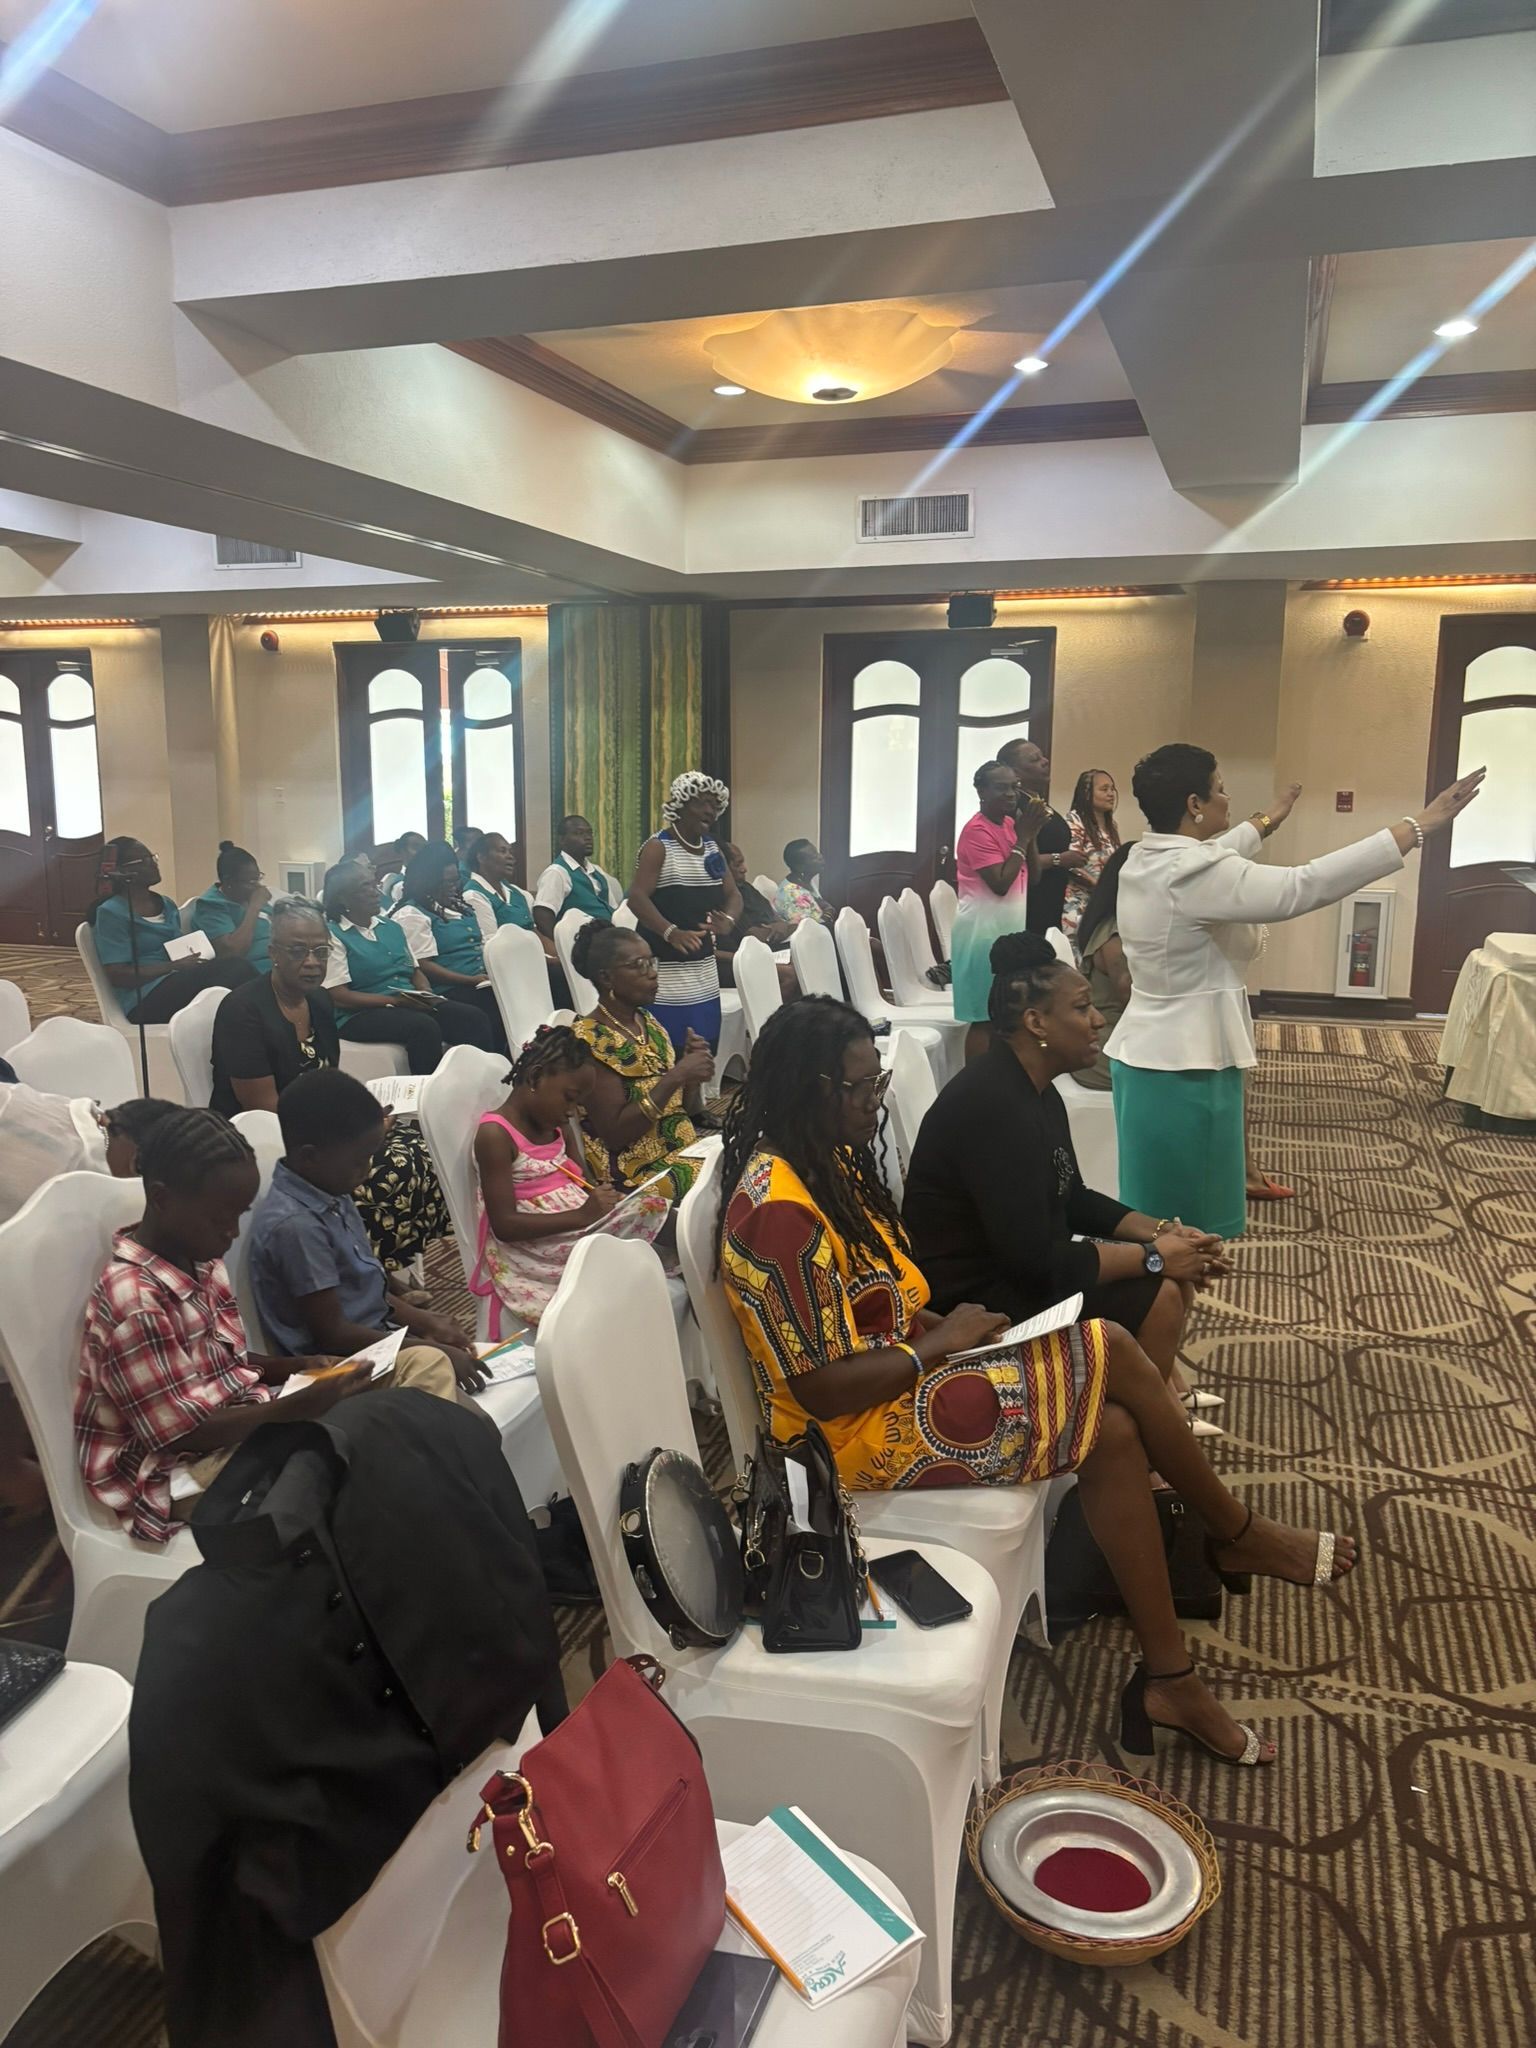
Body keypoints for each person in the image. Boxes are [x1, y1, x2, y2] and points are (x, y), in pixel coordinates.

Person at [718, 997, 1358, 1766]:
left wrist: (939, 1335)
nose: (874, 1101)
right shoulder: (777, 1211)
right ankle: (1237, 1532)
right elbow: (821, 1390)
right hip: (843, 1441)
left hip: (894, 1389)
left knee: (1115, 1433)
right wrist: (939, 1345)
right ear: (815, 1089)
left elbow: (873, 1306)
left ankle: (1170, 1679)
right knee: (1112, 1345)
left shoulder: (827, 1166)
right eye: (861, 1088)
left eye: (877, 1082)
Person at [1109, 744, 1485, 1237]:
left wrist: (1269, 820)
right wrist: (1419, 827)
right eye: (1220, 789)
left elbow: (1220, 852)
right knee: (1180, 1229)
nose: (1228, 798)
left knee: (1161, 1221)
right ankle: (1153, 1311)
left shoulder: (1147, 857)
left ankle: (1147, 1309)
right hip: (1184, 1068)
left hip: (1154, 1057)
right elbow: (1303, 885)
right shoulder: (1194, 874)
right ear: (1195, 804)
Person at [903, 931, 1229, 1414]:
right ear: (1036, 1021)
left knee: (1172, 1279)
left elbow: (1071, 1197)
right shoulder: (994, 1107)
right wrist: (1155, 1258)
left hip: (1014, 1268)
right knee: (1160, 1291)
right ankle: (1141, 1435)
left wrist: (1165, 1234)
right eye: (1082, 1008)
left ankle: (1153, 1409)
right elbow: (1034, 1259)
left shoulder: (1034, 1088)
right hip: (970, 1300)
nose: (1098, 1020)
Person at [74, 1108, 384, 1544]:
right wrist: (298, 1406)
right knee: (358, 1452)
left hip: (234, 1425)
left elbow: (224, 1362)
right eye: (221, 1219)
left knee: (397, 1392)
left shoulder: (198, 1256)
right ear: (162, 1199)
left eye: (239, 1214)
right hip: (175, 1474)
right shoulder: (135, 1303)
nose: (233, 1233)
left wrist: (300, 1365)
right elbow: (185, 1432)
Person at [212, 896, 449, 1274]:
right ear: (273, 952)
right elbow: (262, 1107)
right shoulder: (243, 1011)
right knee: (382, 1170)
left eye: (320, 951)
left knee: (418, 1147)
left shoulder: (320, 1001)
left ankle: (386, 1271)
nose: (311, 962)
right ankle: (355, 1277)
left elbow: (325, 1078)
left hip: (316, 1133)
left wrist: (363, 1122)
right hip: (262, 1137)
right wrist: (349, 1135)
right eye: (297, 951)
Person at [247, 1069, 487, 1392]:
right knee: (461, 1413)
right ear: (310, 1157)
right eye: (359, 1161)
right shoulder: (296, 1226)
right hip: (341, 1369)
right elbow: (334, 1334)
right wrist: (424, 1347)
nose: (367, 1171)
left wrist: (422, 1323)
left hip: (377, 1342)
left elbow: (362, 1287)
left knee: (471, 1385)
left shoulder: (329, 1188)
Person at [471, 1025, 669, 1333]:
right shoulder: (495, 1135)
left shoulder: (556, 1125)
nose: (574, 1111)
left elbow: (584, 1181)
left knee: (652, 1208)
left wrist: (605, 1199)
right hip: (538, 1249)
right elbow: (505, 1226)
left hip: (577, 1225)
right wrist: (582, 1215)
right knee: (654, 1211)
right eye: (570, 1098)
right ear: (536, 1078)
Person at [571, 921, 713, 1198]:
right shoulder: (589, 1039)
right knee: (730, 1182)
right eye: (639, 965)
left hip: (682, 1150)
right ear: (606, 977)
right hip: (634, 1175)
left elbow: (680, 1109)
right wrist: (677, 1076)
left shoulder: (647, 1022)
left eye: (652, 962)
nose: (653, 975)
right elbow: (615, 1134)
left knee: (748, 1160)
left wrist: (692, 1079)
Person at [323, 861, 493, 1067]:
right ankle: (428, 1092)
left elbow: (415, 971)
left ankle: (476, 1084)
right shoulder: (333, 935)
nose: (376, 892)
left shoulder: (390, 927)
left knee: (472, 1018)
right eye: (364, 887)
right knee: (423, 1028)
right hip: (359, 1014)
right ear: (342, 898)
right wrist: (395, 1002)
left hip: (405, 1002)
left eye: (374, 884)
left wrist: (425, 993)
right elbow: (339, 996)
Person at [628, 771, 741, 1054]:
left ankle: (696, 1097)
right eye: (702, 803)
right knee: (668, 1045)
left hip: (701, 962)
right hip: (663, 963)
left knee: (702, 1042)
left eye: (715, 806)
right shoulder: (659, 846)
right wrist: (671, 932)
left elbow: (733, 894)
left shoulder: (713, 847)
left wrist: (728, 920)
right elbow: (636, 899)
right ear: (680, 804)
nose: (709, 811)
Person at [88, 837, 257, 1023]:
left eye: (153, 858)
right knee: (236, 968)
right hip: (144, 999)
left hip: (176, 981)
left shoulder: (166, 904)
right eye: (145, 861)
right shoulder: (111, 913)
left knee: (236, 984)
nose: (154, 864)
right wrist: (173, 966)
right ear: (124, 871)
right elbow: (118, 974)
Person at [390, 839, 508, 1055]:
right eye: (447, 882)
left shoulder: (457, 906)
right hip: (446, 988)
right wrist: (471, 980)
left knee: (512, 996)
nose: (454, 887)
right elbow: (424, 965)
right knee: (487, 1010)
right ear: (429, 882)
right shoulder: (413, 914)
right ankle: (490, 1072)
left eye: (456, 880)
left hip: (477, 982)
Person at [951, 761, 1030, 1062]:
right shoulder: (976, 831)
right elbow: (999, 883)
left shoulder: (1009, 825)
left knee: (1003, 1015)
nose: (1011, 794)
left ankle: (998, 1080)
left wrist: (1029, 832)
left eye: (1015, 786)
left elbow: (1031, 875)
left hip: (1006, 932)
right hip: (980, 936)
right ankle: (976, 1087)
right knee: (984, 1018)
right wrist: (1024, 838)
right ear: (981, 791)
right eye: (1001, 787)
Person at [996, 738, 1086, 937]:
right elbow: (1014, 860)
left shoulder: (1035, 800)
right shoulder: (1017, 808)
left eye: (1042, 756)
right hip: (1031, 900)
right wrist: (1059, 859)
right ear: (1016, 772)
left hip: (1050, 896)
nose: (1045, 761)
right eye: (1035, 760)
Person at [1072, 842, 1132, 1093]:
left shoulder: (1114, 922)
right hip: (1107, 1048)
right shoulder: (1116, 937)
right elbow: (1133, 1001)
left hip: (1117, 1040)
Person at [717, 842, 798, 1001]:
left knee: (809, 955)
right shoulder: (721, 898)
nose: (744, 868)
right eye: (738, 864)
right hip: (736, 959)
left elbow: (784, 924)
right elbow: (754, 936)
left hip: (768, 950)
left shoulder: (746, 889)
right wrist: (777, 928)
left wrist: (779, 926)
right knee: (792, 974)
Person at [190, 842, 273, 971]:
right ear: (229, 882)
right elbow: (233, 953)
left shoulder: (248, 895)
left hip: (278, 961)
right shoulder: (211, 906)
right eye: (251, 881)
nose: (257, 886)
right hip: (251, 970)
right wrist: (254, 907)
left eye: (258, 878)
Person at [1061, 770, 1121, 947]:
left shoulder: (1111, 826)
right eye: (1104, 789)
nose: (1111, 794)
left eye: (1112, 789)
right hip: (1078, 905)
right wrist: (1099, 887)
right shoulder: (1075, 820)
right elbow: (1072, 863)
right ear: (1087, 794)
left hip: (1102, 905)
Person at [533, 814, 618, 937]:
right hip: (584, 941)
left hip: (609, 935)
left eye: (589, 833)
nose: (588, 837)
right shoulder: (557, 872)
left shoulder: (597, 871)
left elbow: (614, 911)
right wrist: (561, 948)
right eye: (579, 833)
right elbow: (542, 914)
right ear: (562, 840)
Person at [776, 839, 835, 927]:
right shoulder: (794, 895)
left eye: (817, 853)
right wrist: (829, 911)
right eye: (814, 857)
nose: (820, 857)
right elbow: (813, 928)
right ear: (799, 867)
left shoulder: (804, 880)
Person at [377, 830, 426, 904]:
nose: (422, 851)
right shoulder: (399, 886)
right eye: (416, 847)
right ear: (403, 851)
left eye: (425, 847)